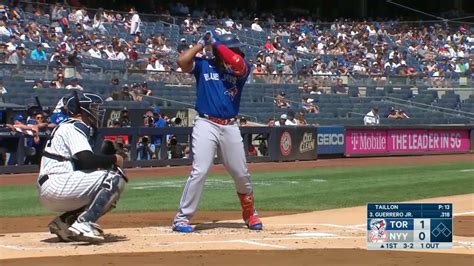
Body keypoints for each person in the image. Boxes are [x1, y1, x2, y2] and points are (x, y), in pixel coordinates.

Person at [172, 31, 263, 232]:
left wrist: (217, 44)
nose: (238, 51)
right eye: (234, 48)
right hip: (206, 123)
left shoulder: (241, 68)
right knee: (200, 170)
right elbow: (182, 61)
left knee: (240, 173)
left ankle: (250, 214)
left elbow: (237, 62)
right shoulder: (205, 64)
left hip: (230, 125)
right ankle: (182, 218)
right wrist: (201, 44)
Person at [37, 92, 127, 242]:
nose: (97, 111)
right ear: (83, 109)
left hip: (53, 185)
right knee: (114, 177)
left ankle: (64, 223)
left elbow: (81, 164)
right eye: (94, 107)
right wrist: (114, 159)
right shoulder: (75, 126)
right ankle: (84, 223)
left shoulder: (67, 126)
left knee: (101, 185)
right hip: (57, 184)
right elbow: (86, 160)